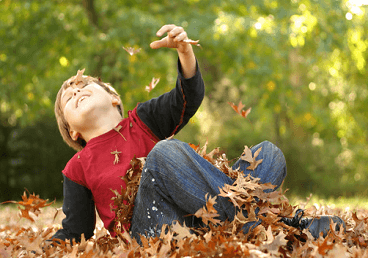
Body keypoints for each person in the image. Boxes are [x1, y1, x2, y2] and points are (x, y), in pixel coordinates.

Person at [51, 24, 345, 244]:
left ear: (113, 98)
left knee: (267, 153)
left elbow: (186, 98)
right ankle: (275, 227)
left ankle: (248, 228)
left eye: (83, 84)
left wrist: (185, 52)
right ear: (72, 130)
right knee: (164, 152)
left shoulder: (142, 120)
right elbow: (75, 231)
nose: (75, 90)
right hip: (154, 234)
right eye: (68, 97)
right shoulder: (77, 167)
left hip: (200, 221)